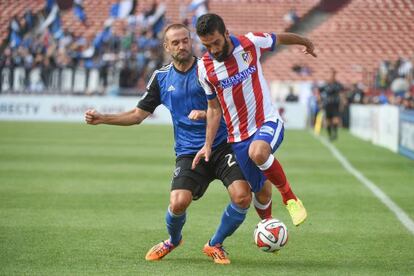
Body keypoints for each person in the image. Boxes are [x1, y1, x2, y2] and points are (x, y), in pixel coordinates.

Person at [85, 23, 271, 265]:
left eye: (185, 40)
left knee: (242, 197)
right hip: (188, 152)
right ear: (166, 47)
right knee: (178, 202)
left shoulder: (211, 68)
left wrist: (205, 114)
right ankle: (173, 240)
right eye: (176, 42)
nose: (182, 46)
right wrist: (103, 119)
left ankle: (215, 244)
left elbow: (235, 106)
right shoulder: (161, 78)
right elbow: (137, 115)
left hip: (224, 146)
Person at [193, 13, 316, 226]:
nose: (213, 50)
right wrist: (207, 144)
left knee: (258, 152)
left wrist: (305, 42)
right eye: (207, 46)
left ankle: (290, 198)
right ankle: (269, 227)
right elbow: (213, 109)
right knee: (261, 192)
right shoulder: (204, 69)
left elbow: (280, 38)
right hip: (238, 137)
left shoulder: (250, 43)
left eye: (216, 43)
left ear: (226, 33)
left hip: (266, 121)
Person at [319, 68, 344, 140]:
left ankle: (335, 134)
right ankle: (330, 135)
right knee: (328, 121)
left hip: (335, 104)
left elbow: (341, 94)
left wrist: (341, 104)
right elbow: (319, 92)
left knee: (336, 120)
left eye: (333, 74)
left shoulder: (338, 85)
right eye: (331, 75)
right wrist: (320, 102)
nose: (331, 76)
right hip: (327, 105)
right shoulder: (325, 85)